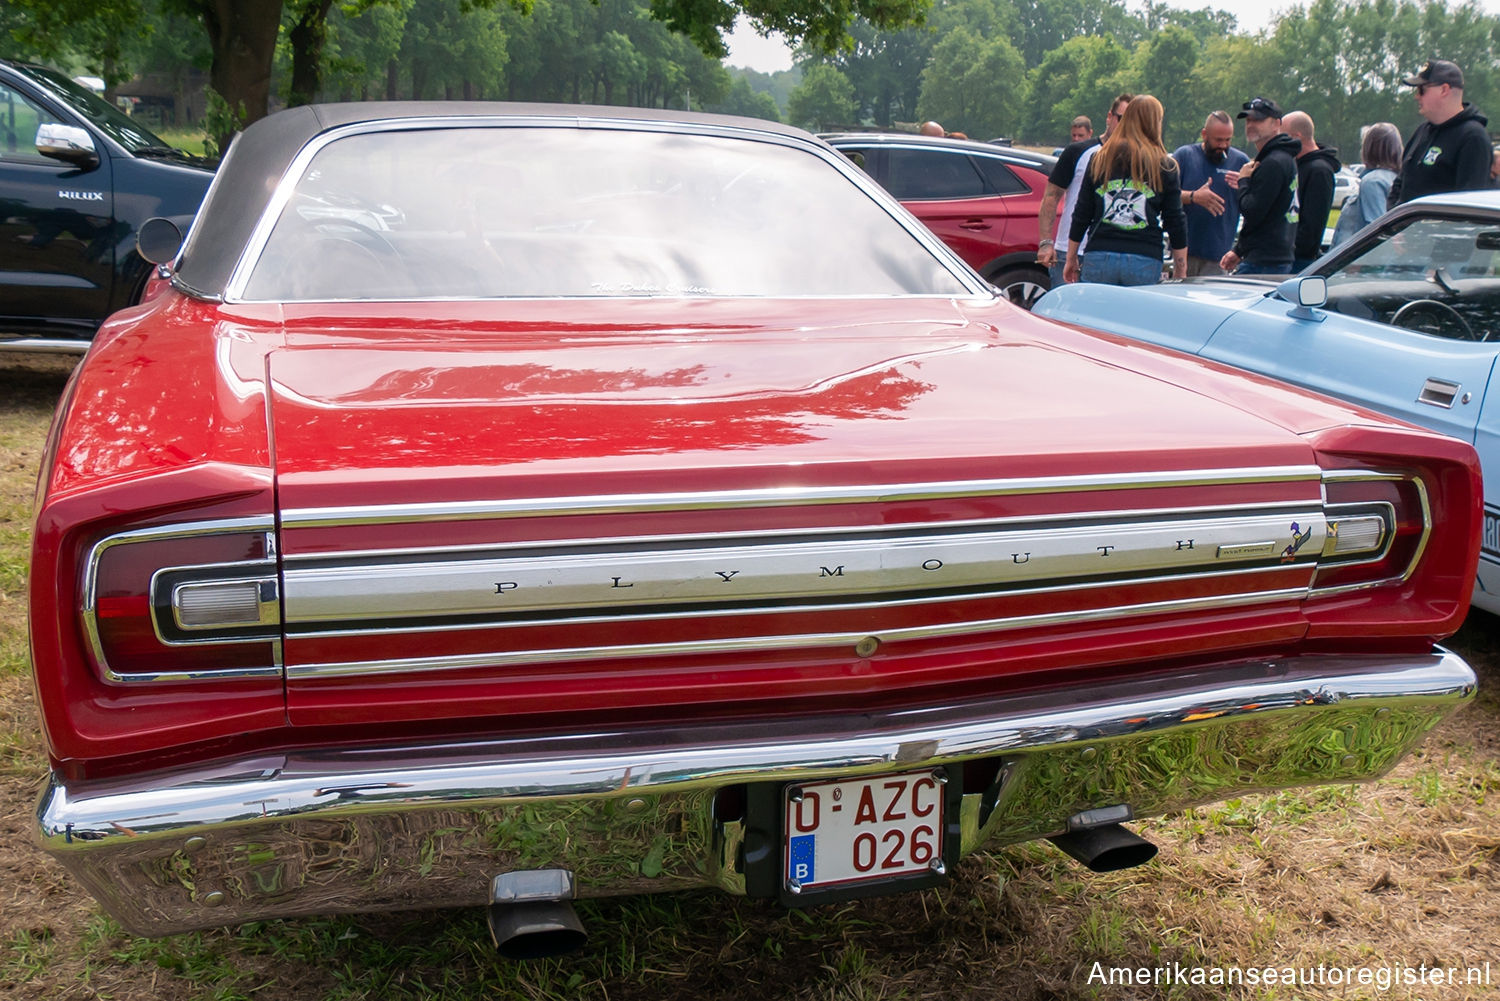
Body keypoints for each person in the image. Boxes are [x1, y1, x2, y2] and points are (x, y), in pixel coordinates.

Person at [1064, 95, 1187, 286]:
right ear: (1156, 123)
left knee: (1094, 314)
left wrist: (1071, 256)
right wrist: (1181, 266)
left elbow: (1082, 212)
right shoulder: (1165, 165)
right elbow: (1175, 220)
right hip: (1144, 256)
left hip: (1100, 251)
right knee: (1134, 315)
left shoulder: (1099, 159)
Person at [1037, 94, 1133, 285]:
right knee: (1063, 312)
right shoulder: (1078, 151)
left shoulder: (1136, 158)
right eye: (1121, 119)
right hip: (1070, 249)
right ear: (1109, 117)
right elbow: (1051, 195)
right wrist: (1046, 243)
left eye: (1132, 121)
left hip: (1112, 254)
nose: (1125, 126)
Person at [1389, 60, 1491, 207]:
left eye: (1421, 90)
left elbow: (1468, 206)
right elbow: (1400, 184)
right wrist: (1395, 222)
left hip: (1440, 230)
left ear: (1444, 90)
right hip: (1408, 228)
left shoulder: (1473, 138)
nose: (1416, 96)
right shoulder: (1422, 131)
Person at [1220, 97, 1300, 275]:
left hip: (1266, 261)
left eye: (1259, 120)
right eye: (1248, 120)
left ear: (1276, 124)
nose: (1251, 125)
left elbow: (1251, 211)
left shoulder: (1274, 162)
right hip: (1270, 255)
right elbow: (1266, 215)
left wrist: (1244, 181)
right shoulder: (1281, 158)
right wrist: (1239, 250)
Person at [1172, 111, 1250, 276]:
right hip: (1184, 252)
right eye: (1218, 140)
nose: (1223, 145)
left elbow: (1253, 206)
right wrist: (1193, 197)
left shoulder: (1241, 162)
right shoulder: (1184, 156)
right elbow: (1165, 196)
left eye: (1228, 140)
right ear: (1204, 135)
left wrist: (1244, 187)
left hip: (1219, 256)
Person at [1283, 111, 1340, 271]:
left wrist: (1289, 249)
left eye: (1282, 137)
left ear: (1296, 137)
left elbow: (1312, 226)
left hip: (1299, 261)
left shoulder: (1319, 171)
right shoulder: (1298, 166)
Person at [1331, 123, 1401, 248]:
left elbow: (1375, 230)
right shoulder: (1396, 179)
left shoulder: (1372, 182)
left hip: (1356, 262)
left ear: (1369, 148)